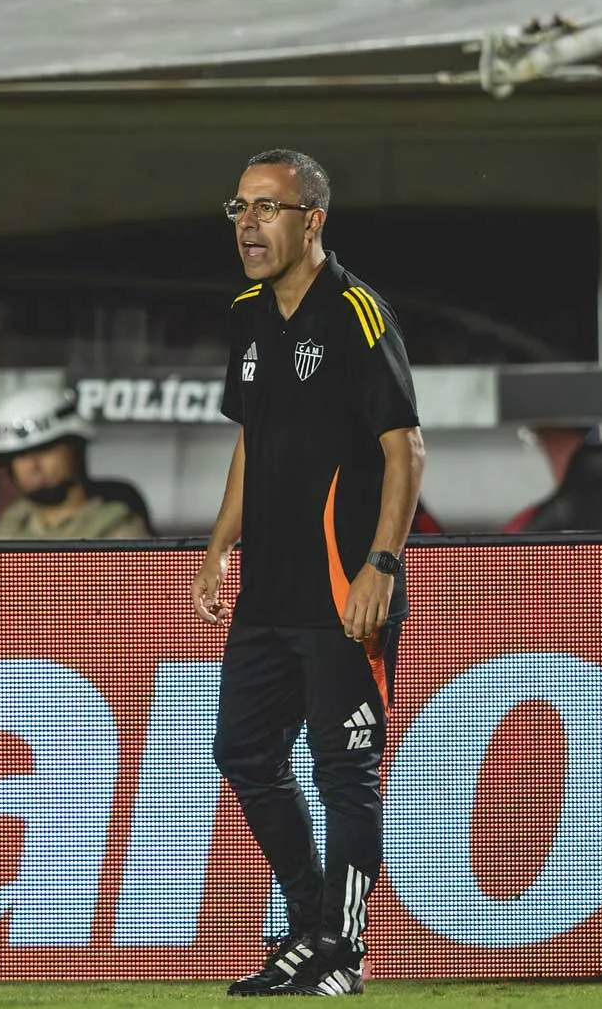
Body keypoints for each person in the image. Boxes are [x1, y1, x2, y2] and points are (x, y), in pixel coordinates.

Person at [194, 150, 425, 997]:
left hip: (341, 592)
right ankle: (307, 926)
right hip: (269, 591)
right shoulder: (247, 315)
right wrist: (220, 542)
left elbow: (407, 451)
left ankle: (345, 952)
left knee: (344, 776)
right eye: (239, 208)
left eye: (267, 208)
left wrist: (381, 566)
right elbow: (250, 439)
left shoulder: (358, 312)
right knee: (243, 750)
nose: (248, 225)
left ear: (313, 220)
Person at [0, 388, 150, 541]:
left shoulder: (118, 533)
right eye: (20, 456)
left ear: (75, 448)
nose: (32, 465)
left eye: (44, 449)